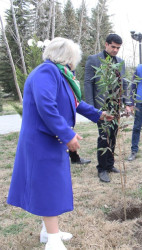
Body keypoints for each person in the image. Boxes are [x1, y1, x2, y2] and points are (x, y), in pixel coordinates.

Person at [7, 37, 113, 250]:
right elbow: (46, 106)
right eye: (75, 58)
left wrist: (98, 114)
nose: (76, 63)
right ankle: (53, 241)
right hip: (41, 140)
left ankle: (48, 232)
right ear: (68, 57)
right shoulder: (46, 73)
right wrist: (68, 135)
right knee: (48, 186)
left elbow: (75, 102)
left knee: (52, 186)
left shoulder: (60, 74)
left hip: (50, 139)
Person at [84, 34, 131, 182]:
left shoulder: (120, 62)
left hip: (115, 106)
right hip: (101, 106)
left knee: (113, 135)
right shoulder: (94, 60)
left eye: (118, 48)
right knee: (104, 136)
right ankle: (102, 168)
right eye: (113, 47)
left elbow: (123, 84)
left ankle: (110, 165)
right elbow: (88, 84)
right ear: (106, 44)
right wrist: (92, 109)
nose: (115, 50)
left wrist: (127, 103)